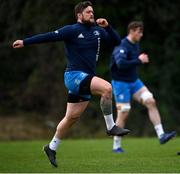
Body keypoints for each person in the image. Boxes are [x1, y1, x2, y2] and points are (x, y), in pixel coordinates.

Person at [13, 1, 130, 167]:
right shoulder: (72, 30)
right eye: (88, 12)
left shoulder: (98, 31)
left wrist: (108, 27)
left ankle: (51, 147)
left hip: (85, 78)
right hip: (73, 76)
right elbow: (49, 36)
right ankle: (111, 127)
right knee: (107, 88)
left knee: (71, 118)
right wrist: (25, 42)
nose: (92, 14)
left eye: (92, 12)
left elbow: (117, 42)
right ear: (79, 16)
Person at [110, 21, 176, 153]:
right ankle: (116, 146)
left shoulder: (136, 44)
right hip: (120, 83)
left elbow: (131, 63)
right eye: (139, 32)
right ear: (132, 31)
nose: (141, 34)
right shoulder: (122, 45)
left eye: (141, 32)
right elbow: (121, 63)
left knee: (151, 101)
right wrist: (139, 61)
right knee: (124, 112)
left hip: (134, 82)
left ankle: (161, 135)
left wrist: (138, 61)